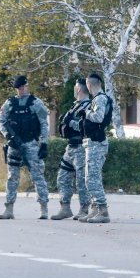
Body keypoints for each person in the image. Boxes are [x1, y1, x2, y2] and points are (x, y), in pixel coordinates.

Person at [0, 75, 49, 220]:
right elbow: (1, 121)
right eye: (20, 88)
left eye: (24, 87)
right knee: (12, 177)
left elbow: (44, 123)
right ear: (17, 88)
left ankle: (44, 208)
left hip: (31, 143)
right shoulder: (9, 104)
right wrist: (8, 136)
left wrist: (44, 143)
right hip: (14, 144)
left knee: (38, 176)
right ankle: (8, 209)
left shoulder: (35, 103)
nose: (23, 89)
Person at [51, 79, 92, 220]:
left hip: (81, 147)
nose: (74, 90)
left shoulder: (89, 106)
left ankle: (85, 208)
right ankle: (65, 208)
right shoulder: (75, 106)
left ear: (79, 89)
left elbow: (85, 127)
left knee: (81, 180)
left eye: (75, 88)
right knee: (62, 177)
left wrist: (71, 122)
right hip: (70, 147)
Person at [78, 73, 113, 223]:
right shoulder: (99, 98)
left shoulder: (100, 98)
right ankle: (95, 209)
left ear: (89, 84)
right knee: (91, 177)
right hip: (93, 142)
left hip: (96, 143)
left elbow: (98, 117)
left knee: (92, 178)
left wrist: (86, 112)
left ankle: (103, 211)